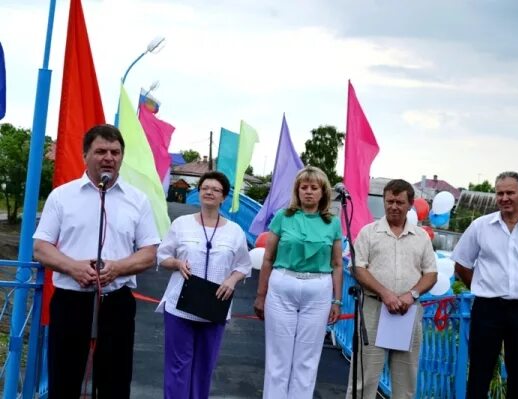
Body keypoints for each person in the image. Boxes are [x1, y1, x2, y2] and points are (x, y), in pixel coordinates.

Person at [33, 124, 160, 399]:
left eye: (115, 152)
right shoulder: (62, 196)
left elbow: (150, 252)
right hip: (70, 299)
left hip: (117, 302)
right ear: (85, 155)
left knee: (115, 381)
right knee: (64, 380)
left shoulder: (137, 200)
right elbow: (41, 248)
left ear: (122, 157)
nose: (109, 157)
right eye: (101, 150)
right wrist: (72, 267)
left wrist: (118, 268)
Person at [452, 171, 518, 399]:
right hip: (487, 309)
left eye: (510, 192)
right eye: (500, 193)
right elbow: (461, 264)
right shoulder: (480, 226)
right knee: (480, 372)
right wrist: (481, 287)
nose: (504, 198)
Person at [157, 171, 252, 399]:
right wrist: (178, 263)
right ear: (198, 192)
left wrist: (232, 279)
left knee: (204, 368)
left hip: (215, 305)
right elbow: (162, 256)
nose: (209, 192)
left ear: (223, 197)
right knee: (178, 366)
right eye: (204, 188)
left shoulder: (235, 232)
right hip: (180, 304)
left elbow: (244, 265)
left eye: (215, 189)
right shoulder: (181, 224)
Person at [253, 166, 343, 399]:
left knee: (307, 359)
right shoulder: (284, 216)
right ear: (297, 190)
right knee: (278, 357)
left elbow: (337, 264)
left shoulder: (332, 222)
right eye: (304, 187)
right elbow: (268, 258)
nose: (309, 192)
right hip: (283, 286)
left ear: (323, 192)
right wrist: (261, 295)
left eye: (314, 188)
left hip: (318, 290)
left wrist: (337, 300)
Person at [346, 179, 437, 399]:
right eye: (389, 201)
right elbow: (358, 268)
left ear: (410, 204)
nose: (393, 206)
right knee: (363, 379)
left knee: (405, 382)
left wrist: (411, 294)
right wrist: (385, 293)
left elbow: (431, 274)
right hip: (374, 309)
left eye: (399, 202)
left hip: (408, 312)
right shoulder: (369, 232)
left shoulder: (421, 237)